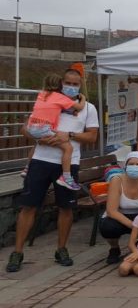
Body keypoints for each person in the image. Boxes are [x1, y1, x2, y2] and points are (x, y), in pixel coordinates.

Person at [6, 69, 99, 273]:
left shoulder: (88, 108)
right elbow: (26, 128)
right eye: (68, 82)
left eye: (75, 84)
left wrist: (69, 135)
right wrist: (39, 138)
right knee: (28, 207)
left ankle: (61, 249)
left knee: (66, 208)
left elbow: (92, 137)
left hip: (68, 163)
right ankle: (17, 252)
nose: (71, 87)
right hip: (41, 160)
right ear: (60, 82)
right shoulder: (49, 99)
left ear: (80, 85)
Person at [23, 74, 87, 190]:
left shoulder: (42, 95)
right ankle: (66, 177)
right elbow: (80, 107)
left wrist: (70, 112)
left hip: (32, 127)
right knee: (68, 148)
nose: (70, 87)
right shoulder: (60, 97)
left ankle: (27, 168)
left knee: (37, 143)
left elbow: (54, 108)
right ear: (60, 85)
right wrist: (83, 98)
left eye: (75, 84)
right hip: (44, 127)